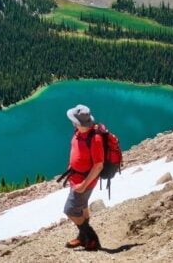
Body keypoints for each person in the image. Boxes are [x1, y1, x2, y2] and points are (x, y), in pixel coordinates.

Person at [61, 104, 103, 251]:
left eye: (73, 120)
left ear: (78, 122)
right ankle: (82, 237)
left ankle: (90, 237)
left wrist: (84, 185)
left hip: (84, 182)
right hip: (76, 178)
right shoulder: (78, 132)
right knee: (83, 205)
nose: (72, 122)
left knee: (70, 210)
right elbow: (75, 150)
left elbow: (98, 165)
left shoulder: (95, 139)